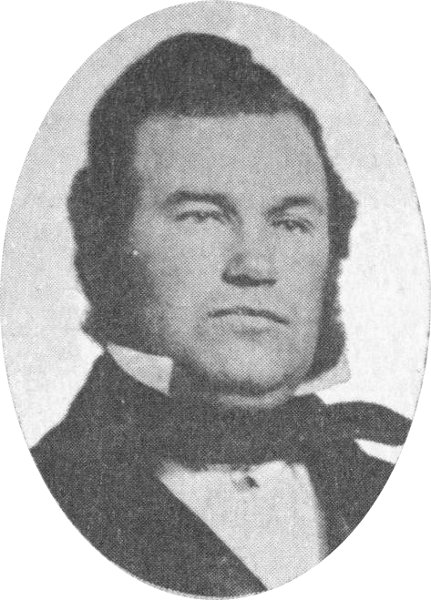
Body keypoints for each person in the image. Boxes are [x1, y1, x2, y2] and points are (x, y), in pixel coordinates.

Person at [31, 33, 410, 596]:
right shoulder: (39, 502)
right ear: (109, 244)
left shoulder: (401, 493)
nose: (255, 265)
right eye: (202, 216)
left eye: (291, 223)